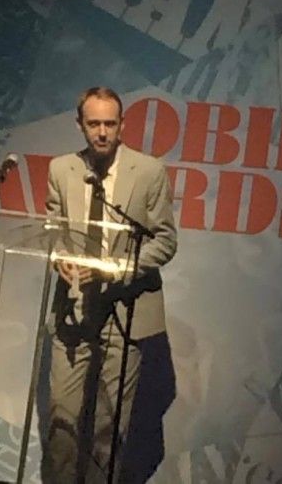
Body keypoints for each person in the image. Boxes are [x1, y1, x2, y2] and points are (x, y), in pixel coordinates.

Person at [43, 87, 177, 484]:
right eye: (94, 124)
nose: (102, 132)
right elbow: (53, 229)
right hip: (74, 311)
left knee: (107, 430)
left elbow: (165, 241)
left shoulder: (149, 171)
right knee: (61, 425)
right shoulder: (61, 169)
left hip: (124, 314)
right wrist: (60, 258)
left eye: (110, 124)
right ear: (80, 124)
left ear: (122, 125)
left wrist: (115, 269)